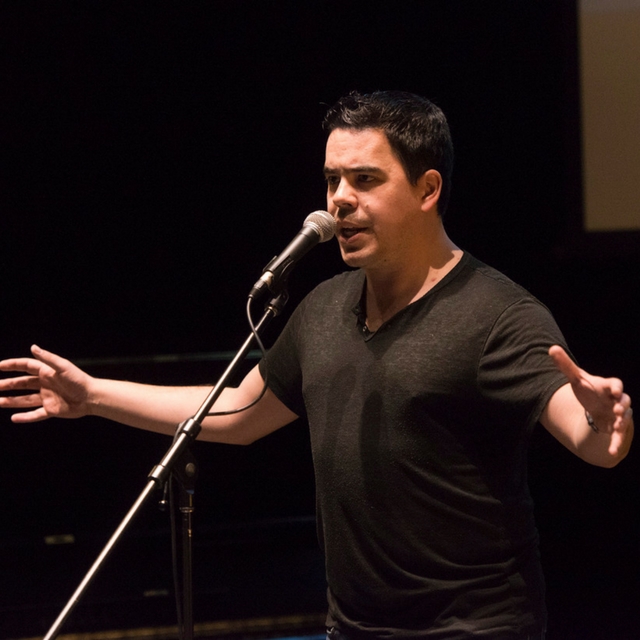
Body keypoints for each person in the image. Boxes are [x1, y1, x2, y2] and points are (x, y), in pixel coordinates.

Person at [0, 91, 633, 639]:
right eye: (332, 180)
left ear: (428, 189)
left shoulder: (497, 313)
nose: (339, 201)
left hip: (474, 628)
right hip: (351, 627)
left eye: (365, 180)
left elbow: (581, 427)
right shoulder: (325, 307)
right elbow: (238, 411)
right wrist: (92, 396)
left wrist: (603, 429)